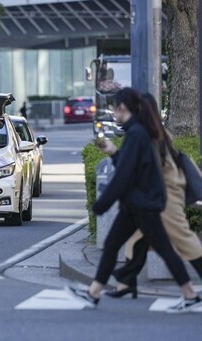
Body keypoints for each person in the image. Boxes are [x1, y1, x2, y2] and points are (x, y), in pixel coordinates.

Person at [65, 87, 202, 313]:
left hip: (146, 204)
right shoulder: (142, 133)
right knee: (120, 245)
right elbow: (131, 169)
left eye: (116, 109)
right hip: (138, 204)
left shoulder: (141, 134)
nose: (113, 113)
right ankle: (101, 291)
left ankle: (185, 293)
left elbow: (125, 174)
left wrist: (102, 203)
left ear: (124, 108)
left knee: (168, 247)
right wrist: (113, 152)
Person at [105, 93, 202, 301]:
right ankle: (125, 284)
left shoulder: (149, 136)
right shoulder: (156, 132)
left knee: (183, 239)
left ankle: (129, 284)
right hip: (161, 196)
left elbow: (145, 171)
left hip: (166, 198)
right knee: (136, 239)